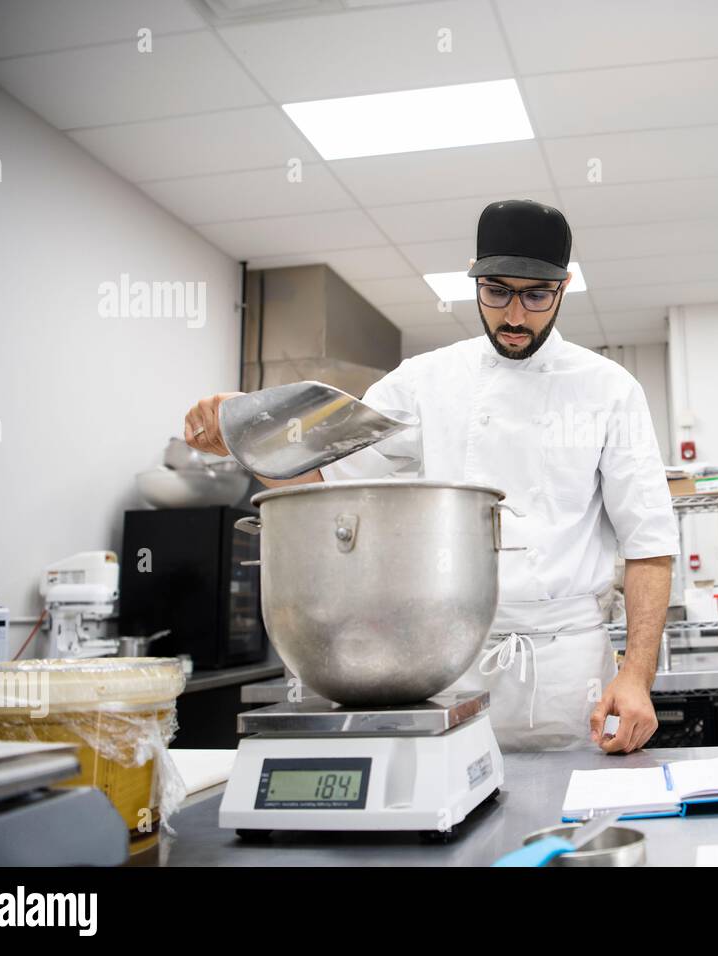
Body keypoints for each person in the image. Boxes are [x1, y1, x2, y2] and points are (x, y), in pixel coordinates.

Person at [184, 199, 678, 753]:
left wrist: (636, 677)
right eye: (497, 293)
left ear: (563, 288)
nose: (515, 317)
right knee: (455, 813)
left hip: (571, 674)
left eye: (537, 296)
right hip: (450, 659)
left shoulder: (609, 389)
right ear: (475, 284)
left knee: (570, 820)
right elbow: (326, 483)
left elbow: (650, 545)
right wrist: (248, 435)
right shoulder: (425, 381)